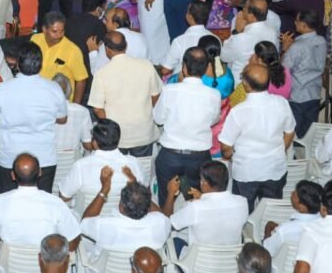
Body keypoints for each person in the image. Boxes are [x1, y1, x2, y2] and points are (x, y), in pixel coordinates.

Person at [0, 42, 68, 193]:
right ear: (41, 65)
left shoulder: (2, 89)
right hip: (44, 159)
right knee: (41, 203)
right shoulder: (54, 89)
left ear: (17, 64)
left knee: (7, 202)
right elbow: (62, 118)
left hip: (9, 158)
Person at [220, 64, 297, 211]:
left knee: (244, 213)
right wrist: (280, 150)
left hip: (246, 171)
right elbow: (289, 132)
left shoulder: (238, 112)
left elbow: (225, 147)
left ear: (245, 84)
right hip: (275, 169)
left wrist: (231, 155)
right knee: (269, 214)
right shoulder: (282, 103)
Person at [152, 47, 221, 204]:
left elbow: (158, 119)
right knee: (196, 201)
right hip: (199, 157)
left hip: (170, 155)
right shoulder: (213, 94)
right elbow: (214, 120)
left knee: (167, 199)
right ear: (206, 68)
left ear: (183, 67)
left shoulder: (169, 90)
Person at [89, 32, 162, 157]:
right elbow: (156, 96)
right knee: (142, 167)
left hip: (116, 136)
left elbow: (97, 108)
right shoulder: (146, 65)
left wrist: (109, 129)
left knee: (118, 168)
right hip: (143, 131)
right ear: (126, 45)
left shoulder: (101, 74)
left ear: (107, 49)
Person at [0, 154, 80, 249]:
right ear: (40, 172)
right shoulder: (56, 203)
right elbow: (72, 243)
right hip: (45, 258)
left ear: (13, 175)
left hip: (8, 259)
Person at [80, 175, 171, 263]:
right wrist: (142, 196)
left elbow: (84, 222)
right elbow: (161, 215)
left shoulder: (103, 225)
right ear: (147, 206)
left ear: (122, 207)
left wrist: (103, 191)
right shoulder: (161, 224)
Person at [163, 161, 249, 253]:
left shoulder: (195, 208)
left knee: (174, 241)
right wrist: (202, 199)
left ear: (204, 183)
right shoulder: (242, 202)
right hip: (231, 259)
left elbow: (167, 224)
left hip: (199, 261)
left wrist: (170, 194)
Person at [58, 119, 148, 205]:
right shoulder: (134, 164)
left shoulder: (81, 166)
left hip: (88, 215)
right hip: (124, 214)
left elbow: (64, 196)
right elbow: (145, 193)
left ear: (95, 143)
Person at [282, 11, 327, 138]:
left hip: (297, 95)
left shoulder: (297, 46)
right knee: (309, 135)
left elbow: (284, 69)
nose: (294, 23)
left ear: (304, 25)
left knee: (294, 134)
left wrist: (285, 49)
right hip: (314, 93)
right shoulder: (322, 40)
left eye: (297, 21)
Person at [31, 11, 88, 102]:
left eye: (62, 31)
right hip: (36, 97)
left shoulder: (73, 50)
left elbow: (81, 80)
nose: (59, 35)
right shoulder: (35, 40)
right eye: (55, 31)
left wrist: (75, 106)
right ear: (44, 30)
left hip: (60, 101)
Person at [222, 0, 280, 81]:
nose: (242, 9)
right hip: (262, 79)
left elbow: (224, 56)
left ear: (251, 17)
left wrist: (236, 32)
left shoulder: (241, 37)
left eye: (245, 8)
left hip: (240, 82)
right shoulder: (272, 32)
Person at [262, 180, 323, 258]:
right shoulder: (325, 221)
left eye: (295, 195)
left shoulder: (284, 230)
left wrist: (268, 230)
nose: (291, 193)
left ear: (302, 208)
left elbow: (267, 252)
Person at [161, 0, 216, 75]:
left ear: (190, 17)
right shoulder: (215, 38)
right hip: (208, 79)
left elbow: (165, 70)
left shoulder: (179, 41)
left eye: (187, 11)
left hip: (183, 79)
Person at [88, 7, 149, 74]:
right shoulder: (141, 38)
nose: (104, 23)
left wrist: (93, 52)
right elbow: (148, 63)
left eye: (106, 20)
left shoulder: (109, 42)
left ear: (116, 24)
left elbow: (97, 72)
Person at [64, 0, 107, 83]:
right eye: (104, 7)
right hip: (88, 74)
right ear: (98, 8)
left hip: (68, 71)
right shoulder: (99, 25)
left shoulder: (69, 21)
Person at [52, 75, 93, 153]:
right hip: (72, 159)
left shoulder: (42, 111)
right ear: (70, 92)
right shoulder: (82, 111)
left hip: (47, 158)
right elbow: (88, 144)